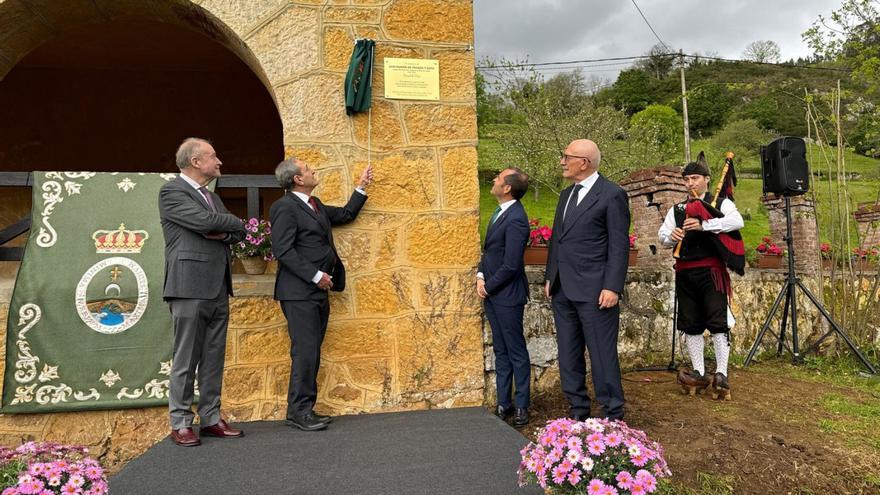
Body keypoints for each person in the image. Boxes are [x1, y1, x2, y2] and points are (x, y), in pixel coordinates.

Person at [270, 157, 372, 431]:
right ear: (297, 180)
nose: (314, 170)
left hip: (317, 292)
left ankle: (304, 409)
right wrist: (316, 275)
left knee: (311, 351)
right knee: (305, 352)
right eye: (307, 169)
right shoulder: (284, 208)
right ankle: (299, 411)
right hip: (298, 292)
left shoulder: (314, 206)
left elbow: (346, 214)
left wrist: (361, 187)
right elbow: (283, 250)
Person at [159, 137, 247, 447]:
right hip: (188, 286)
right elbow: (202, 221)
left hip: (217, 287)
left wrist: (222, 228)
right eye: (213, 156)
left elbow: (233, 234)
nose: (219, 161)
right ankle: (180, 421)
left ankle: (210, 418)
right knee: (186, 358)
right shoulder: (172, 191)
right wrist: (230, 222)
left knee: (213, 357)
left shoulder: (211, 196)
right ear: (196, 162)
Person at [544, 139, 630, 421]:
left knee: (602, 356)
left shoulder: (612, 194)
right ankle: (577, 412)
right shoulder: (565, 195)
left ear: (585, 162)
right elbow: (558, 239)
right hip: (562, 290)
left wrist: (612, 286)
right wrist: (550, 277)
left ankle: (612, 416)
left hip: (596, 291)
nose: (562, 161)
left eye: (566, 157)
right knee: (568, 355)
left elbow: (619, 244)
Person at [658, 152, 743, 400]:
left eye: (695, 178)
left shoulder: (720, 203)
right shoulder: (678, 209)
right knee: (691, 323)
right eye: (686, 179)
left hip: (711, 272)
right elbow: (661, 236)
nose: (690, 183)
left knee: (718, 323)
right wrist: (670, 236)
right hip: (685, 272)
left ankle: (721, 374)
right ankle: (697, 371)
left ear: (707, 179)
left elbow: (737, 222)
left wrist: (705, 225)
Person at [477, 168, 531, 427]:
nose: (494, 180)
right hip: (493, 293)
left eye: (498, 178)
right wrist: (479, 275)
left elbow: (511, 264)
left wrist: (489, 286)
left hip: (507, 295)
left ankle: (521, 405)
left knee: (515, 350)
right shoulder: (499, 213)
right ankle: (503, 402)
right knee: (501, 349)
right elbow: (490, 252)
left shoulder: (517, 219)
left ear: (507, 187)